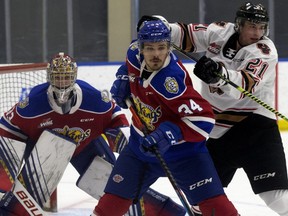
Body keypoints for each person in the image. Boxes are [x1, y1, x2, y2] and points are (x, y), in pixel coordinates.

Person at [0, 52, 186, 216]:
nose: (62, 82)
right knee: (22, 205)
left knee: (119, 186)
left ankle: (163, 211)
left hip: (86, 147)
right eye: (57, 77)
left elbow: (115, 122)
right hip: (45, 150)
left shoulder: (93, 98)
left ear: (74, 77)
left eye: (66, 77)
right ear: (49, 77)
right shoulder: (33, 102)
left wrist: (131, 152)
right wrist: (5, 176)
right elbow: (7, 129)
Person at [93, 19, 239, 216]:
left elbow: (204, 119)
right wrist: (123, 79)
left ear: (169, 47)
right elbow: (127, 68)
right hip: (140, 150)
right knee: (110, 205)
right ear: (140, 47)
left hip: (185, 156)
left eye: (161, 48)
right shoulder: (133, 54)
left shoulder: (172, 82)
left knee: (217, 209)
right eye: (150, 48)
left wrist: (170, 133)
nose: (156, 54)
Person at [168, 2, 288, 215]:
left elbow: (245, 84)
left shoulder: (265, 51)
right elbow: (187, 34)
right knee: (199, 194)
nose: (257, 32)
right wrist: (161, 26)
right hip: (219, 131)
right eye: (252, 26)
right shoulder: (219, 31)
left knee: (275, 196)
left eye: (261, 27)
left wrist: (219, 74)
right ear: (239, 24)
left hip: (255, 127)